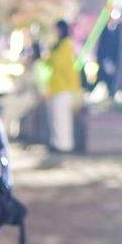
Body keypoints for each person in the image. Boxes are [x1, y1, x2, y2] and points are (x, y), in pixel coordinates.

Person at [44, 20, 81, 153]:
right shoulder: (60, 46)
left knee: (62, 118)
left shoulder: (66, 45)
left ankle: (64, 145)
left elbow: (58, 63)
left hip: (64, 87)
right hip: (57, 87)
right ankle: (57, 143)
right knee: (55, 117)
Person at [96, 15, 122, 100]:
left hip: (113, 61)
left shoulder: (117, 33)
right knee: (109, 81)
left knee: (114, 80)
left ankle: (113, 94)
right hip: (108, 61)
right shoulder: (107, 33)